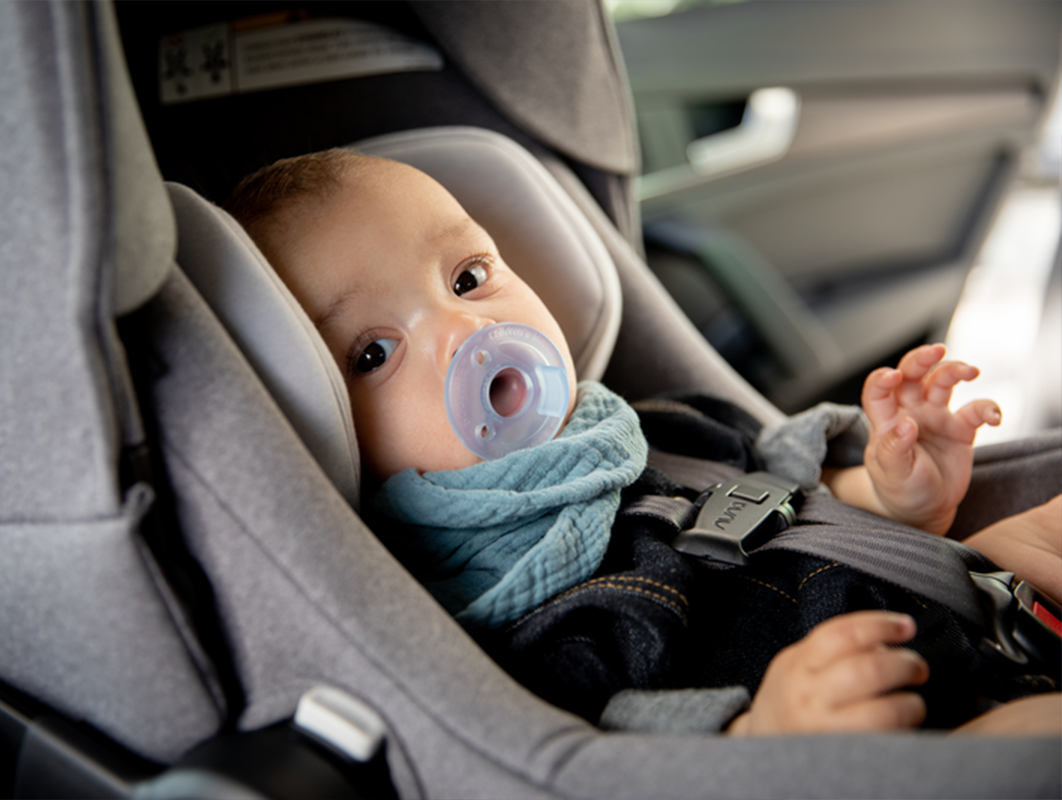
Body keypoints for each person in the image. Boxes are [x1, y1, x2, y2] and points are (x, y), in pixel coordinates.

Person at [225, 148, 1060, 736]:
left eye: (468, 278)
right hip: (919, 722)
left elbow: (784, 493)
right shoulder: (477, 600)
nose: (464, 331)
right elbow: (592, 736)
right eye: (373, 352)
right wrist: (756, 736)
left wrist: (893, 491)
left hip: (971, 592)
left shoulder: (652, 426)